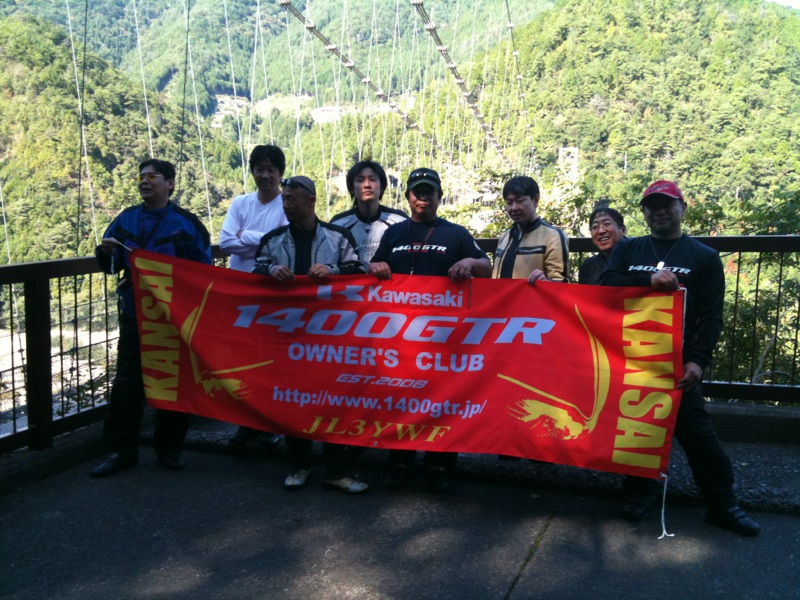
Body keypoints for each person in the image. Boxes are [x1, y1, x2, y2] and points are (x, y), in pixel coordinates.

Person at [599, 180, 760, 536]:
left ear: (682, 209)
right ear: (644, 213)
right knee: (636, 431)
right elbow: (605, 286)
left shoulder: (703, 256)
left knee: (698, 435)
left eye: (666, 205)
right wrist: (648, 281)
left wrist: (698, 361)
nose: (659, 211)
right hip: (631, 359)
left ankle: (722, 504)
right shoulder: (628, 248)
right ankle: (640, 491)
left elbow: (711, 316)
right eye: (651, 206)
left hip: (677, 363)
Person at [369, 167, 492, 492]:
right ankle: (400, 461)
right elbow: (375, 265)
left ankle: (438, 463)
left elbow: (486, 267)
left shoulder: (456, 233)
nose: (423, 197)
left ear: (439, 196)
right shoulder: (394, 233)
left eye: (429, 192)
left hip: (444, 337)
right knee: (401, 398)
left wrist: (469, 263)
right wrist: (375, 265)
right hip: (399, 335)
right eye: (417, 191)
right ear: (408, 196)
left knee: (443, 399)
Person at [90, 159, 212, 477]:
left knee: (172, 384)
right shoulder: (126, 219)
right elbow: (111, 265)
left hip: (173, 317)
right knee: (127, 385)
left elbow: (204, 271)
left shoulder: (187, 224)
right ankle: (121, 450)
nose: (144, 181)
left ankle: (169, 447)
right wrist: (105, 253)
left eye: (152, 176)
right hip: (135, 314)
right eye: (141, 176)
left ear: (170, 183)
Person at [253, 175, 368, 494]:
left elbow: (358, 272)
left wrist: (332, 271)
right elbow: (255, 273)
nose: (285, 205)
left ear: (311, 200)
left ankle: (336, 470)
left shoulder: (338, 236)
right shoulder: (273, 240)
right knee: (293, 400)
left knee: (334, 401)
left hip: (330, 338)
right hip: (288, 337)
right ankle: (299, 465)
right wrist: (271, 270)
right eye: (284, 199)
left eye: (291, 198)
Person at [219, 144, 289, 453]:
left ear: (280, 173)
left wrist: (245, 236)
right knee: (243, 365)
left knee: (270, 364)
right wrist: (262, 241)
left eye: (271, 169)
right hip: (242, 296)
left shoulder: (286, 204)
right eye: (259, 169)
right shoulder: (240, 203)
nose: (265, 175)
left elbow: (283, 247)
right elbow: (225, 243)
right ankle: (246, 425)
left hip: (274, 297)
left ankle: (271, 426)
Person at [491, 176, 569, 284]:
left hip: (531, 296)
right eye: (509, 203)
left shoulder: (553, 236)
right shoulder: (505, 237)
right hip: (503, 295)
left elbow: (560, 283)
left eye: (520, 201)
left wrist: (545, 281)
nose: (514, 208)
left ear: (535, 200)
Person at [331, 160, 407, 267]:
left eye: (372, 179)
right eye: (360, 180)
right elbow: (330, 262)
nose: (367, 185)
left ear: (382, 186)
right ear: (351, 188)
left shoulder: (400, 221)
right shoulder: (338, 225)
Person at [578, 207, 626, 285]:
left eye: (607, 224)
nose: (600, 231)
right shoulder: (589, 266)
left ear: (623, 230)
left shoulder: (637, 260)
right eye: (595, 227)